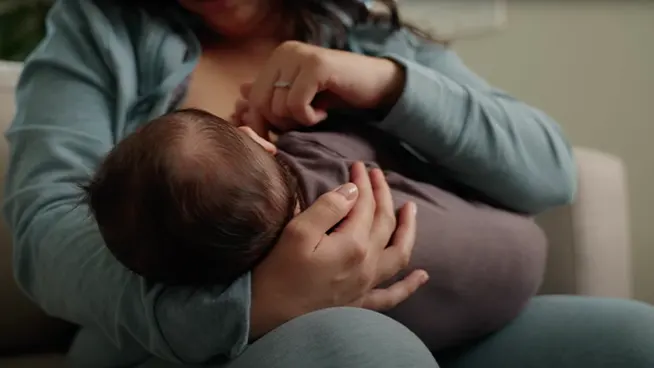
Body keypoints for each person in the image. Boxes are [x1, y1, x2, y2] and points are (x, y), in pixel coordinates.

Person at [3, 0, 654, 367]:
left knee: (634, 340)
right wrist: (256, 305)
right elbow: (44, 229)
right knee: (361, 347)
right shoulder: (99, 35)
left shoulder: (360, 29)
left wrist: (388, 84)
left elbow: (550, 170)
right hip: (197, 348)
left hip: (438, 315)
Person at [82, 108, 546, 350]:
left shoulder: (251, 296)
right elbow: (373, 132)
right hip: (517, 249)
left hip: (470, 314)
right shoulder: (317, 151)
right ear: (256, 141)